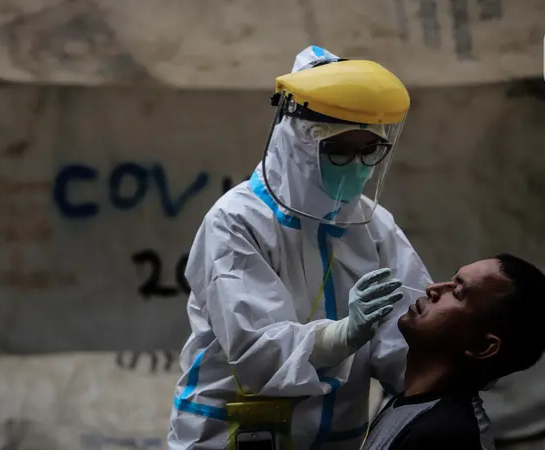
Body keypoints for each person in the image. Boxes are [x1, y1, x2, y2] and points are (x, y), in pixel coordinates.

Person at [168, 45, 433, 449]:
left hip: (335, 439)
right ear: (300, 143)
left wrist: (447, 362)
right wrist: (343, 334)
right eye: (340, 150)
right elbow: (257, 350)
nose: (358, 164)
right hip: (233, 436)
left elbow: (406, 336)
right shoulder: (237, 221)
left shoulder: (373, 226)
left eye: (369, 150)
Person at [360, 254, 545, 450]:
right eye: (451, 280)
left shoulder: (444, 435)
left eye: (457, 292)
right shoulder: (411, 406)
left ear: (481, 347)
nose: (432, 288)